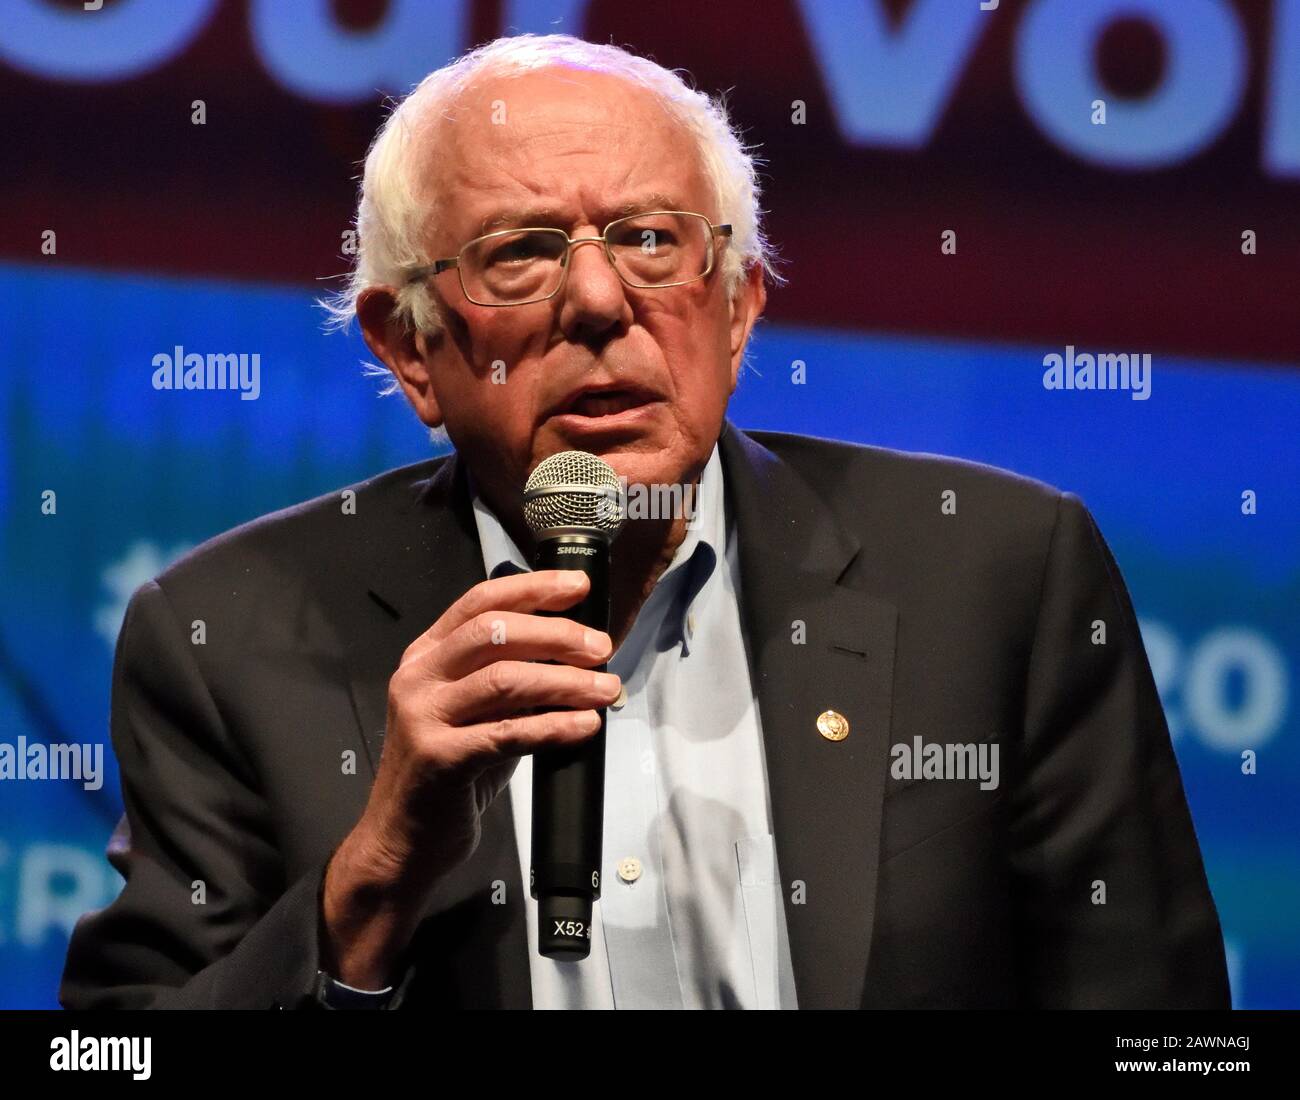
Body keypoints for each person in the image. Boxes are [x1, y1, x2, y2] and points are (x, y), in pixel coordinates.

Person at [61, 34, 1229, 1010]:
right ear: (411, 348)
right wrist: (369, 882)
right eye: (520, 253)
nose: (598, 299)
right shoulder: (229, 637)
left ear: (736, 307)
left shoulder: (996, 577)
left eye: (650, 239)